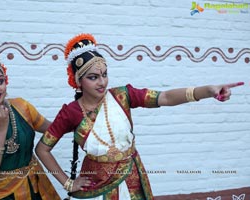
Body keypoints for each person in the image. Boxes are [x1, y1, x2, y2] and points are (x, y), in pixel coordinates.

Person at [35, 33, 244, 200]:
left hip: (132, 175)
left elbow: (166, 97)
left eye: (104, 74)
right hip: (96, 186)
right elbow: (42, 149)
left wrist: (207, 91)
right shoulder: (70, 112)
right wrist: (68, 183)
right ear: (79, 81)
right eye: (93, 77)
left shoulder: (123, 96)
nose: (102, 82)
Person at [0, 44, 61, 200]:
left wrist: (78, 116)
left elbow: (53, 129)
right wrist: (1, 130)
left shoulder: (22, 107)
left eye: (0, 81)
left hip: (35, 188)